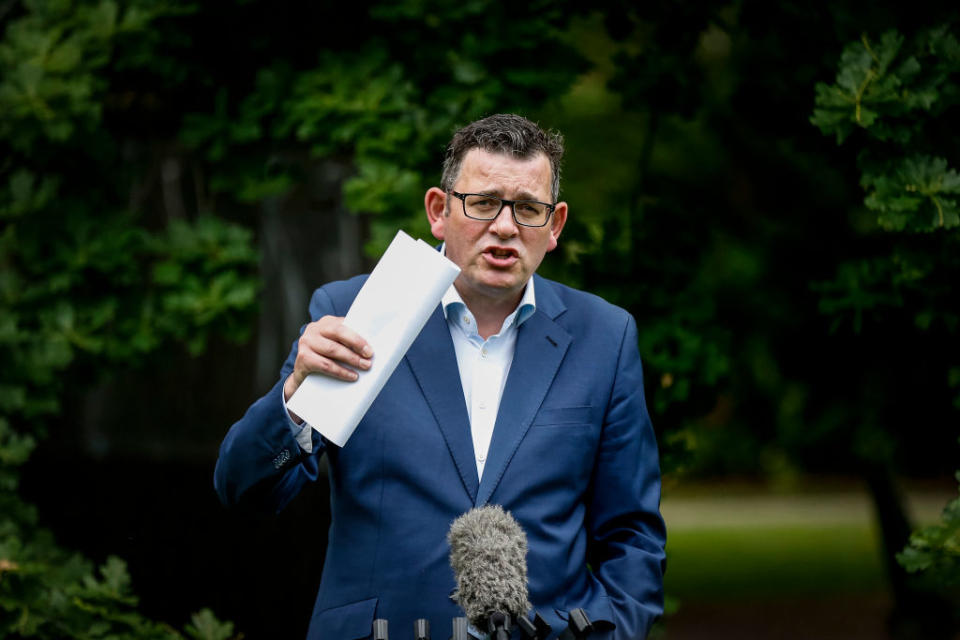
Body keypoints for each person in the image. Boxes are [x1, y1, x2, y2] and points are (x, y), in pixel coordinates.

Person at [214, 114, 666, 639]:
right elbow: (244, 488)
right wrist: (294, 399)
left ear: (555, 225)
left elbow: (632, 533)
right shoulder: (356, 314)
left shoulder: (604, 337)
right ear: (438, 210)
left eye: (527, 209)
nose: (505, 226)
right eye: (482, 203)